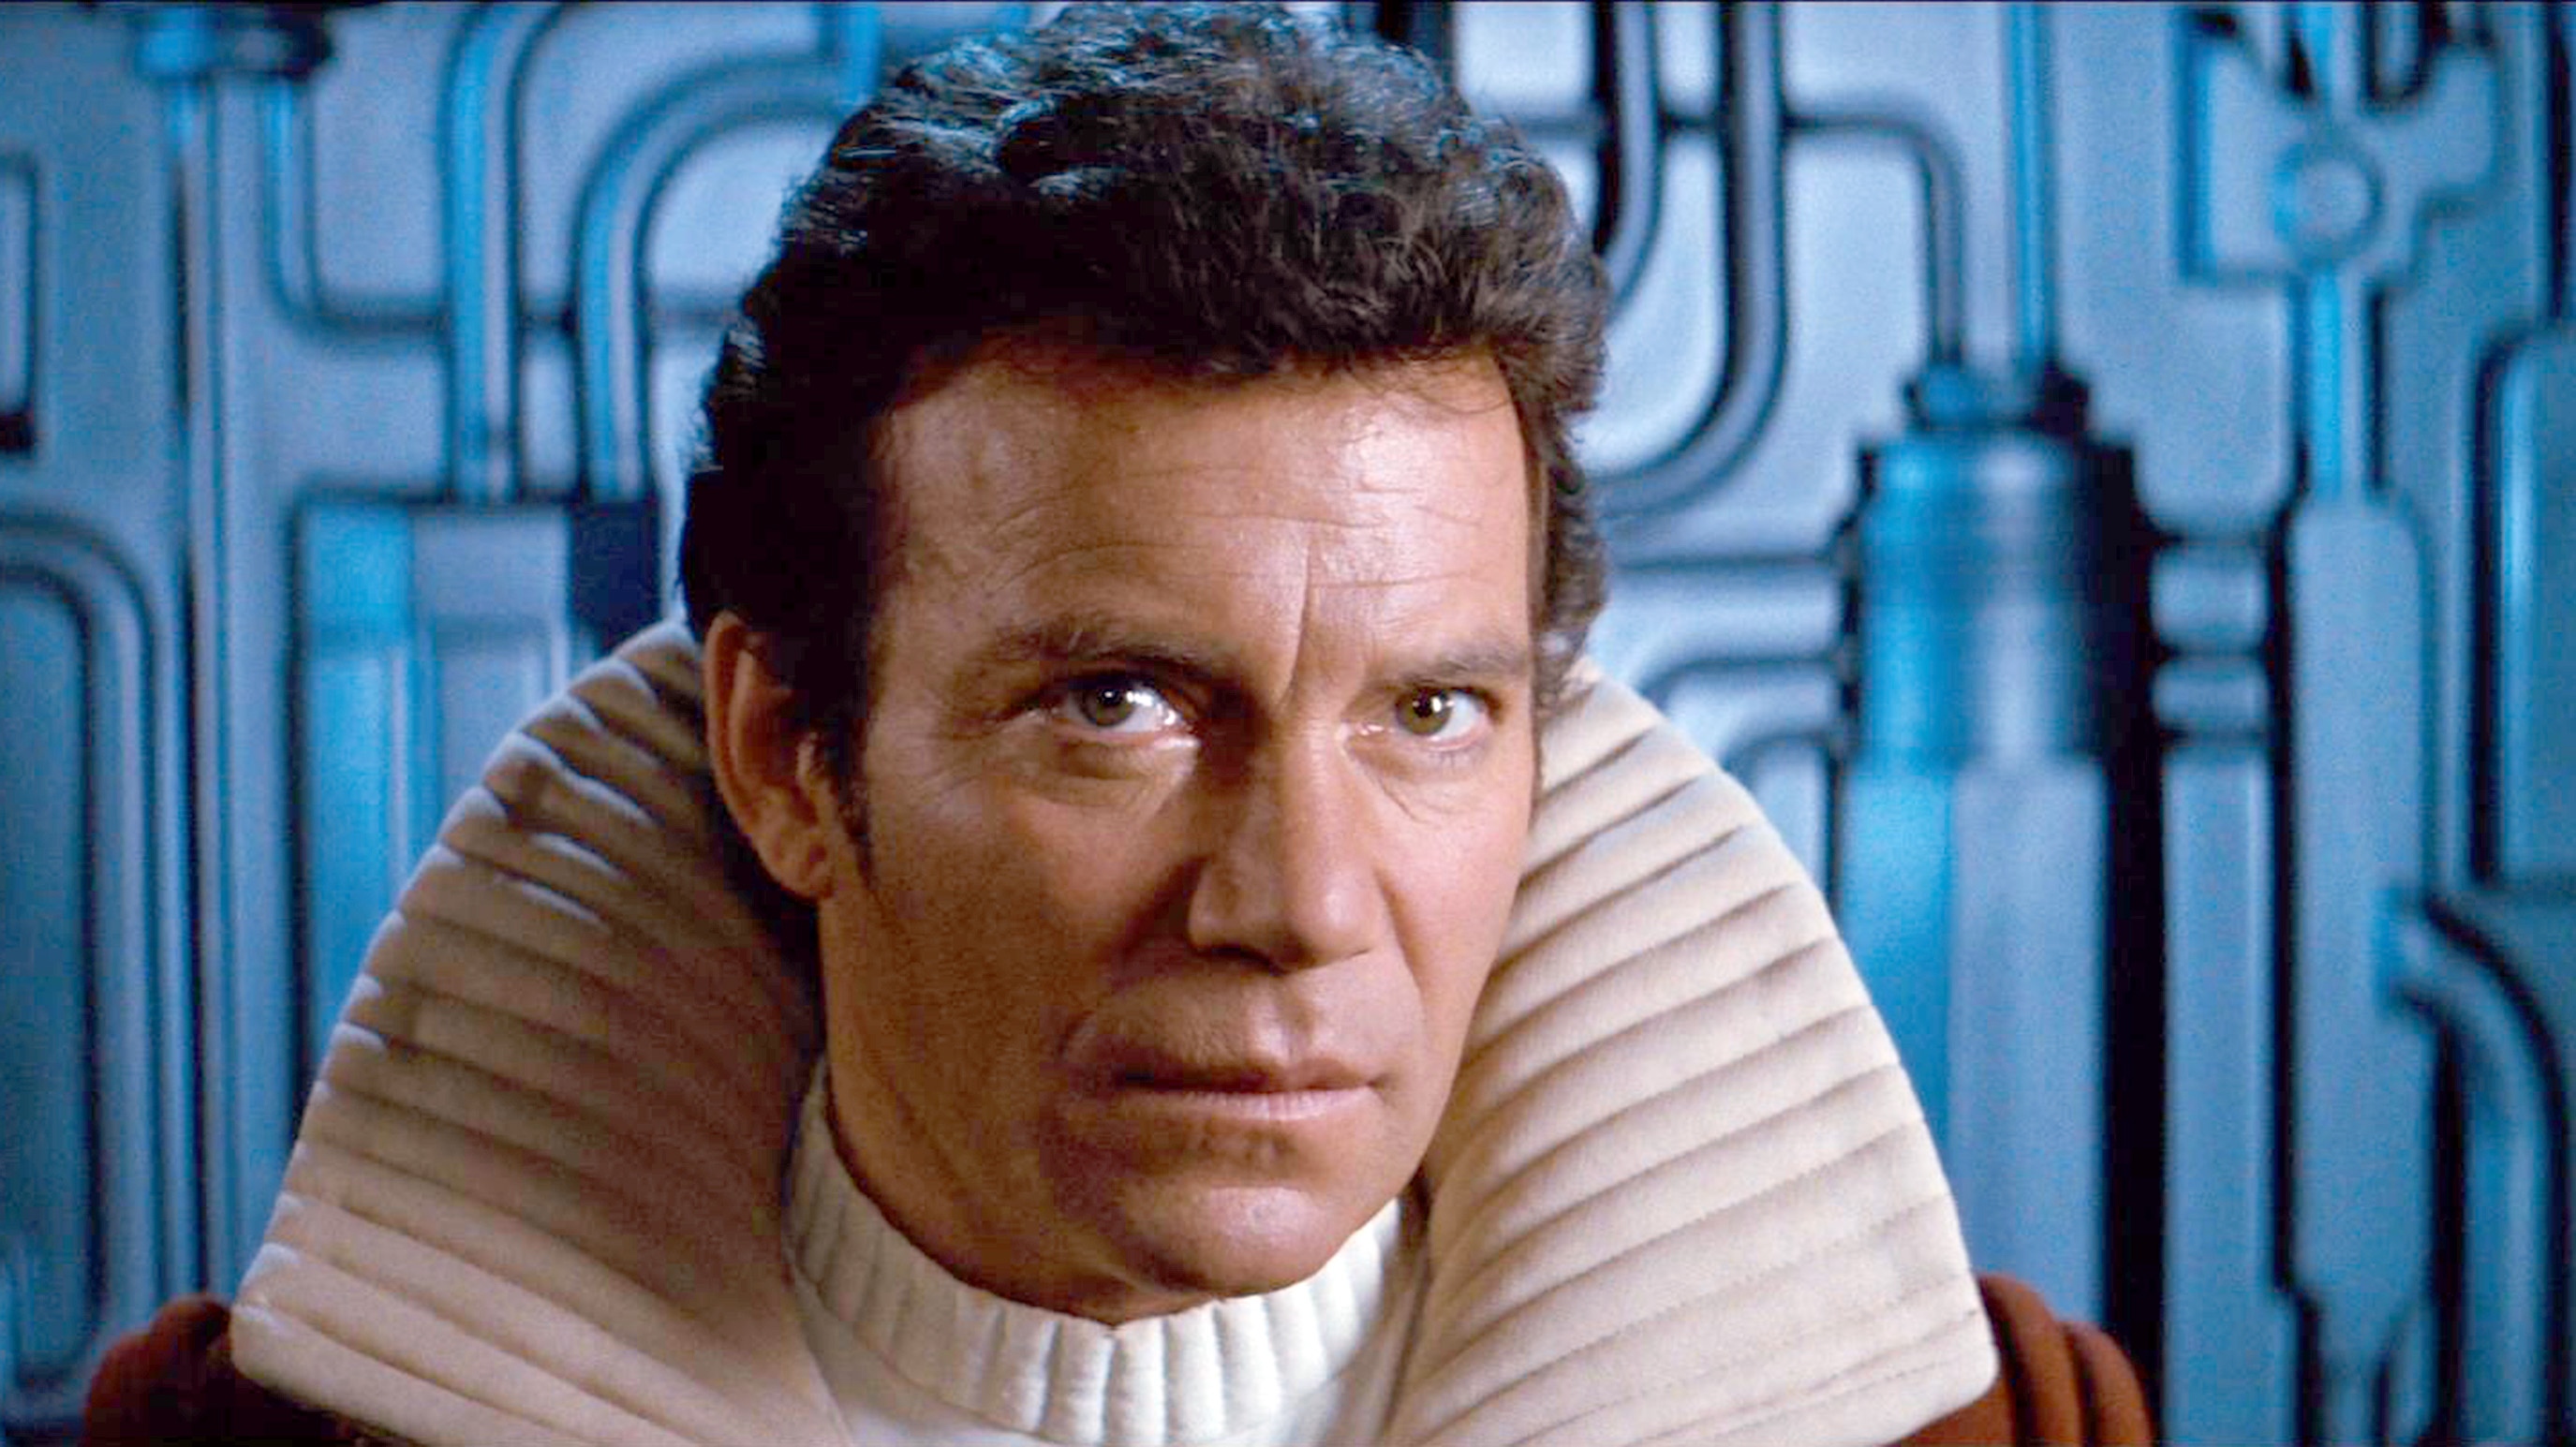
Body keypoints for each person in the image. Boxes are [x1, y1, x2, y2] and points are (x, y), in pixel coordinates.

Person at [84, 6, 2147, 1444]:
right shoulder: (242, 1437)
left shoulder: (1995, 1430)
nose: (1300, 903)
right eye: (1120, 702)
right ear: (789, 755)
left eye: (1429, 710)